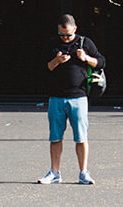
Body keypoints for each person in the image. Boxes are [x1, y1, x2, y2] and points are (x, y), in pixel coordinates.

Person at [37, 14, 105, 185]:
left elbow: (102, 62)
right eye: (62, 35)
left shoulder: (85, 43)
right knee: (55, 137)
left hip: (79, 97)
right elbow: (44, 68)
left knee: (81, 137)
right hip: (56, 97)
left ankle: (83, 172)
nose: (65, 38)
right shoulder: (52, 44)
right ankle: (54, 172)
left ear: (75, 29)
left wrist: (86, 58)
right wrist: (57, 61)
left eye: (68, 34)